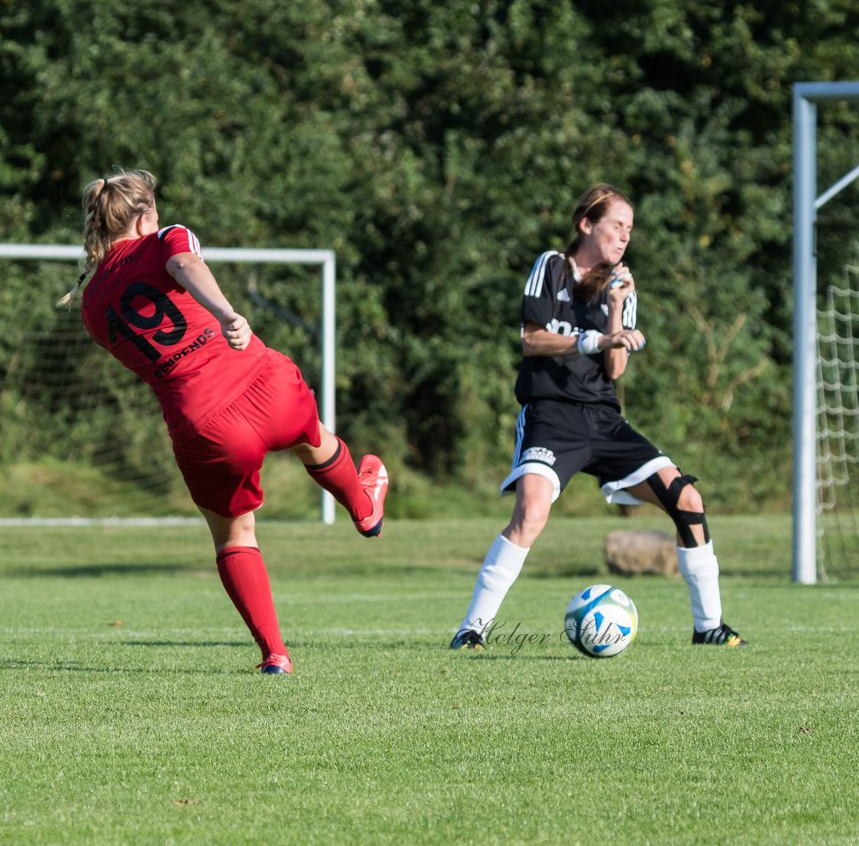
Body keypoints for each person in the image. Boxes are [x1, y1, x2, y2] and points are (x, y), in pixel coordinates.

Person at [67, 168, 389, 674]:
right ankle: (363, 506)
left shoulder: (91, 305)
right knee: (314, 440)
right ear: (147, 213)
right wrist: (226, 312)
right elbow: (184, 264)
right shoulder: (166, 237)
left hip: (204, 425)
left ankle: (275, 655)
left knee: (235, 537)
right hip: (265, 386)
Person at [449, 184, 745, 651]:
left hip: (603, 419)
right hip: (551, 414)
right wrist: (591, 341)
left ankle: (708, 627)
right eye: (617, 225)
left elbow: (615, 369)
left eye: (630, 229)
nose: (625, 236)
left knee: (686, 498)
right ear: (587, 224)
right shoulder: (551, 266)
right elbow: (531, 339)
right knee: (531, 511)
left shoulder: (622, 285)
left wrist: (613, 314)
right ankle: (472, 630)